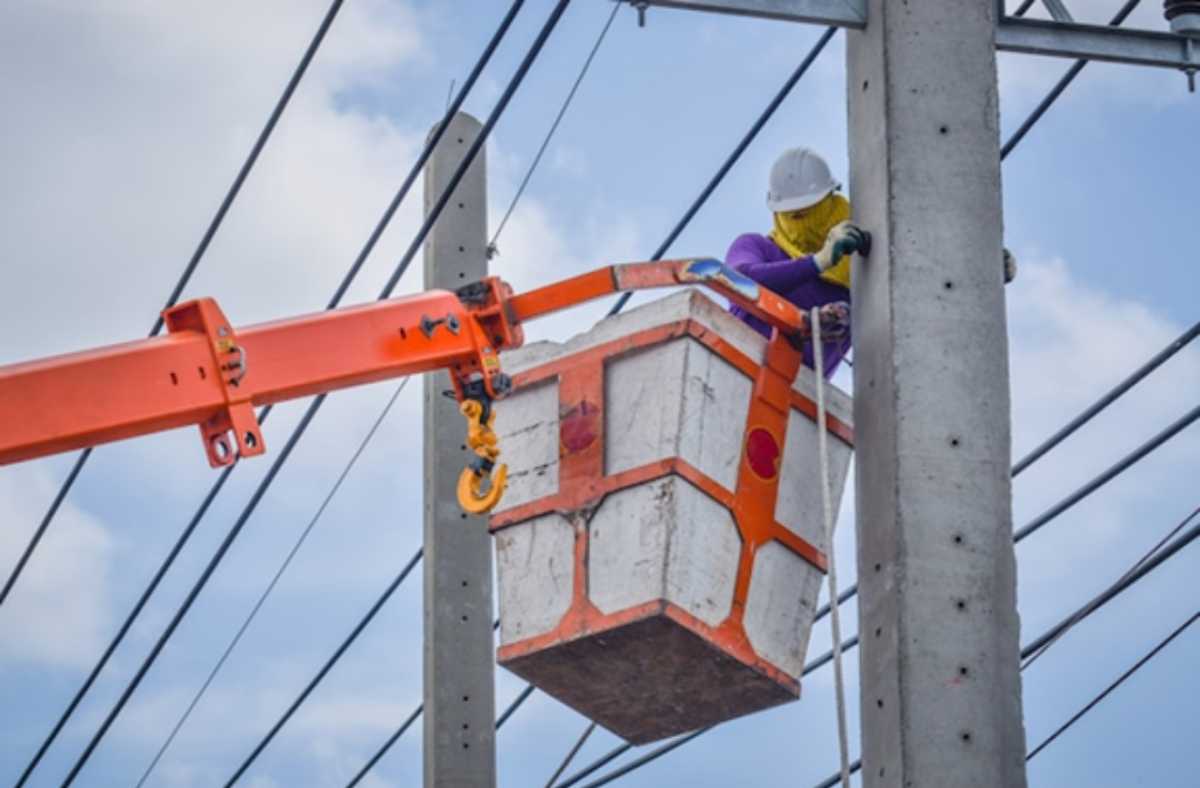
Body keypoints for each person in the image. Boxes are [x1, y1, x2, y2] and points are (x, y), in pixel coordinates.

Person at [726, 147, 866, 378]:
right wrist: (817, 262)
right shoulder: (756, 246)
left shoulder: (857, 277)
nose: (801, 222)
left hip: (801, 398)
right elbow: (737, 281)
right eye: (792, 214)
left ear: (831, 201)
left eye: (810, 210)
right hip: (739, 369)